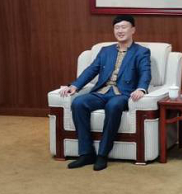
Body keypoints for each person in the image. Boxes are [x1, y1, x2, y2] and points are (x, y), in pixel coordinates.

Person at [59, 15, 150, 171]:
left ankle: (102, 154)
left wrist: (141, 88)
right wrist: (75, 86)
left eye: (124, 27)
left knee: (113, 106)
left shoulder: (141, 52)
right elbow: (91, 70)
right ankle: (86, 153)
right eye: (117, 28)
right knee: (78, 103)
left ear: (133, 30)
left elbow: (145, 72)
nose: (120, 31)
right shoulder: (105, 51)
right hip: (101, 92)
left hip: (122, 94)